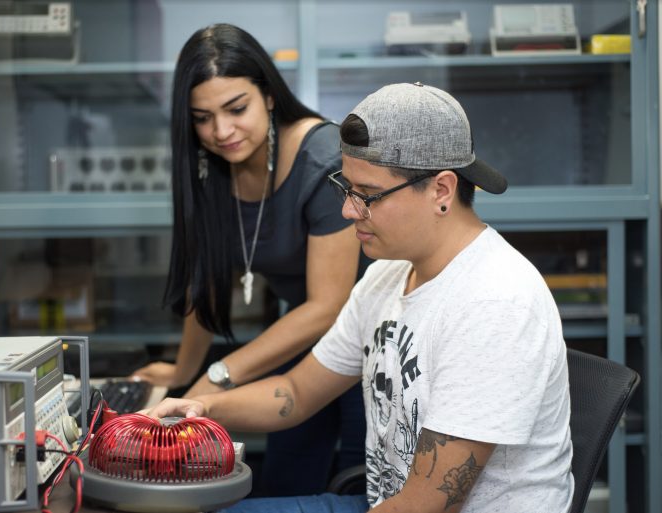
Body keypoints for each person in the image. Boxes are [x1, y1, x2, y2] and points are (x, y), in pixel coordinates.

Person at [142, 82, 575, 513]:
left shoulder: (495, 302)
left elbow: (422, 507)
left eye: (367, 196)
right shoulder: (386, 277)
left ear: (441, 190)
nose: (348, 210)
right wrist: (201, 409)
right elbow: (297, 391)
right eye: (345, 188)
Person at [130, 23, 368, 496]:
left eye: (236, 109)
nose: (221, 131)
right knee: (283, 482)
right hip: (305, 339)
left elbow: (328, 305)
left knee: (362, 483)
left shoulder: (322, 160)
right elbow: (209, 284)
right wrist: (183, 374)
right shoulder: (212, 167)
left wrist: (215, 379)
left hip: (373, 341)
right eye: (202, 117)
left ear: (270, 96)